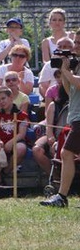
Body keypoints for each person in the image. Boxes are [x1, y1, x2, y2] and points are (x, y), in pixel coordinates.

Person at [41, 32, 80, 207]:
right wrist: (66, 71)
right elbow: (69, 89)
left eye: (78, 43)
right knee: (67, 153)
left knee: (66, 153)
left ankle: (62, 197)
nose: (75, 46)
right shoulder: (77, 65)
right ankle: (61, 197)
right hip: (76, 116)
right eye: (76, 42)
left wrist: (66, 70)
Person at [0, 87, 29, 185]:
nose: (1, 102)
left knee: (21, 148)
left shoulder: (22, 115)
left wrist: (11, 142)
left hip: (15, 140)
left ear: (10, 98)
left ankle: (6, 171)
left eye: (3, 98)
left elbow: (22, 134)